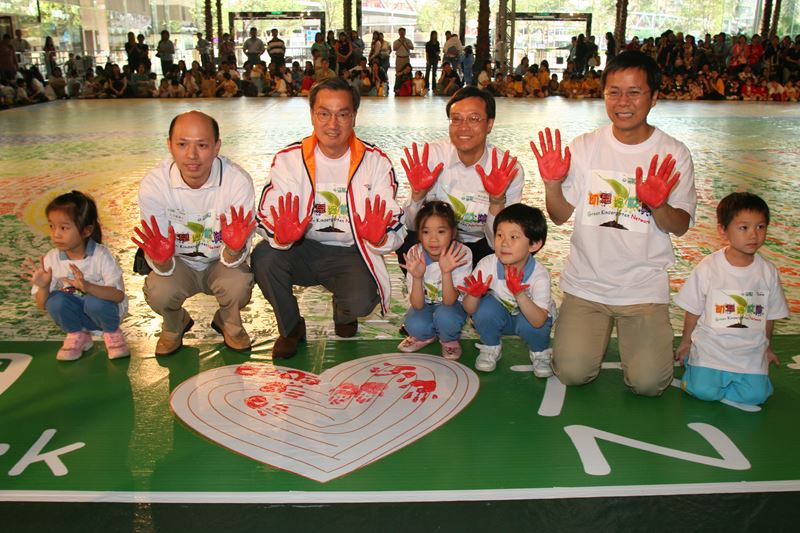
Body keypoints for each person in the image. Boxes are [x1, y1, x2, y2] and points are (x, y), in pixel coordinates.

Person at [531, 51, 696, 396]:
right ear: (603, 94)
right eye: (614, 92)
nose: (623, 102)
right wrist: (551, 184)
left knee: (650, 384)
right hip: (586, 284)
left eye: (634, 92)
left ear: (653, 97)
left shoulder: (672, 153)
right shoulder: (586, 147)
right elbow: (560, 216)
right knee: (572, 373)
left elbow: (679, 225)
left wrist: (659, 204)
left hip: (642, 287)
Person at [252, 77, 406, 359]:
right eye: (324, 113)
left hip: (352, 251)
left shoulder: (375, 162)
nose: (332, 124)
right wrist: (279, 236)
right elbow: (265, 215)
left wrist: (381, 238)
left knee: (361, 301)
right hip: (302, 249)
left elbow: (395, 221)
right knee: (264, 257)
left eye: (342, 114)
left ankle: (345, 310)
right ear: (312, 115)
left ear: (354, 117)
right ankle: (291, 328)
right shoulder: (289, 159)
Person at [132, 111, 256, 356]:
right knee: (159, 291)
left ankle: (229, 323)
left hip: (219, 261)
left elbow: (237, 253)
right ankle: (173, 326)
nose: (192, 155)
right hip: (179, 263)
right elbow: (158, 255)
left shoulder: (237, 182)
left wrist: (232, 249)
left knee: (239, 285)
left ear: (217, 146)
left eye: (202, 145)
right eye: (182, 144)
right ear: (169, 145)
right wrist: (162, 260)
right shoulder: (154, 185)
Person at [674, 193, 789, 407]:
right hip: (712, 349)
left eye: (761, 227)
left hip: (749, 353)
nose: (754, 235)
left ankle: (743, 378)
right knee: (703, 392)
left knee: (755, 397)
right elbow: (693, 309)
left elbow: (769, 316)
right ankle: (693, 366)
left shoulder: (768, 272)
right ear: (723, 229)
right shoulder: (709, 267)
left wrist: (767, 347)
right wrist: (686, 342)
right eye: (744, 228)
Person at [399, 86, 524, 267]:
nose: (463, 127)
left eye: (473, 119)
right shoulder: (431, 158)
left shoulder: (507, 170)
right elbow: (411, 226)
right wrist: (418, 194)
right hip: (438, 241)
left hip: (482, 244)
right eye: (456, 119)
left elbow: (499, 242)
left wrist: (496, 201)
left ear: (489, 124)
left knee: (518, 245)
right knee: (406, 242)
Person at [24, 191, 129, 361]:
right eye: (52, 226)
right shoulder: (52, 258)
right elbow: (43, 305)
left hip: (107, 312)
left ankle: (112, 333)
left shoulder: (101, 255)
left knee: (93, 300)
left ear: (87, 230)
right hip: (79, 314)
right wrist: (43, 286)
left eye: (64, 228)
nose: (56, 233)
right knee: (55, 300)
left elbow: (118, 295)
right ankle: (77, 334)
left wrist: (88, 287)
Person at [460, 203, 554, 375]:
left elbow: (538, 321)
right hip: (502, 315)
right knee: (484, 308)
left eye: (514, 237)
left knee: (534, 326)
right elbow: (469, 309)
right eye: (499, 235)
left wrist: (519, 293)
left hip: (530, 319)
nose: (504, 243)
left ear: (534, 245)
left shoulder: (539, 275)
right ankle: (491, 346)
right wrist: (473, 295)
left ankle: (539, 352)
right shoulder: (487, 265)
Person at [399, 201, 472, 360]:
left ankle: (449, 340)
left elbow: (449, 301)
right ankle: (427, 335)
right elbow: (417, 305)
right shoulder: (414, 253)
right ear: (419, 234)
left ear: (453, 232)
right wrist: (417, 278)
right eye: (426, 232)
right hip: (425, 305)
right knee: (413, 326)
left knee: (446, 317)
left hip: (451, 306)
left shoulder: (462, 254)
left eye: (441, 231)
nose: (433, 239)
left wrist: (446, 272)